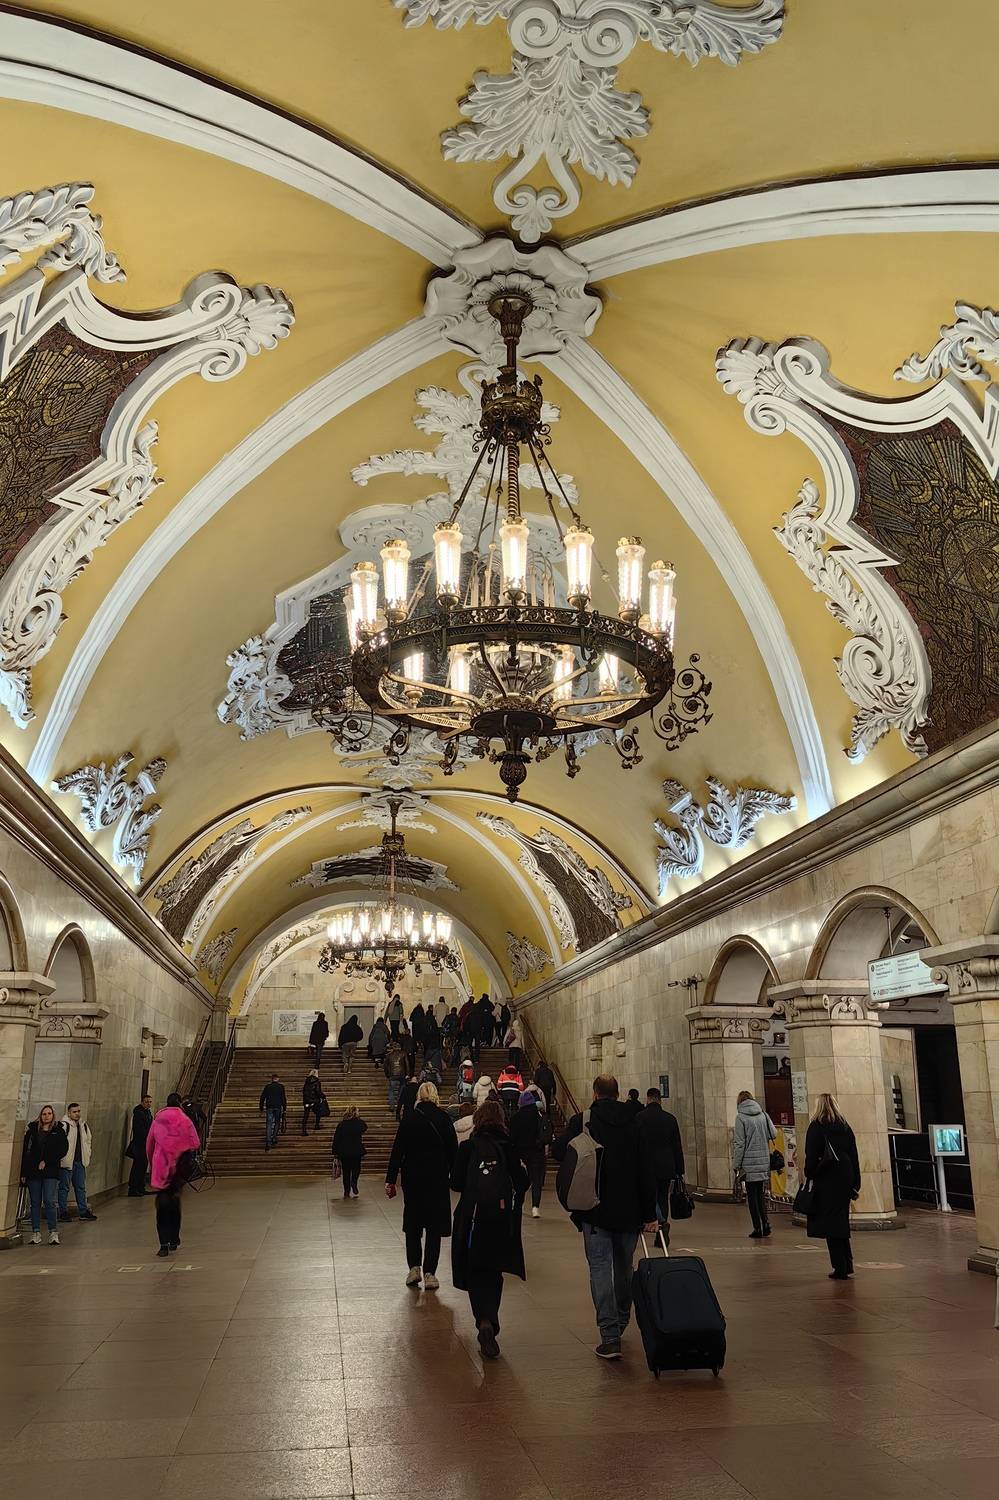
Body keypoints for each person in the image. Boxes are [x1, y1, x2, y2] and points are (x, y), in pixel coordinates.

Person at [553, 1074, 657, 1360]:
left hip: (595, 1210)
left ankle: (610, 1336)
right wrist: (650, 1213)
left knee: (600, 1269)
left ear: (595, 1093)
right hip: (630, 1211)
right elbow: (646, 1170)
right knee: (624, 1269)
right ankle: (622, 1320)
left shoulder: (584, 1121)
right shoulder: (636, 1122)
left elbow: (559, 1151)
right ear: (618, 1093)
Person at [451, 1099, 528, 1360]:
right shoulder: (508, 1146)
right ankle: (491, 1320)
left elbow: (456, 1183)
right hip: (499, 1218)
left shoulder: (468, 1147)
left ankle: (482, 1319)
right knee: (494, 1271)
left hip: (471, 1217)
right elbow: (523, 1182)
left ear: (478, 1120)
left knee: (475, 1271)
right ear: (501, 1120)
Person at [385, 1081, 458, 1289]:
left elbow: (398, 1150)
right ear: (435, 1096)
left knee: (413, 1225)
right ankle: (430, 1273)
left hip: (413, 1180)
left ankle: (414, 1268)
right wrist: (457, 1178)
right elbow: (454, 1152)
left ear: (418, 1096)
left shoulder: (409, 1119)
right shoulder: (444, 1119)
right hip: (437, 1180)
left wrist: (391, 1179)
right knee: (434, 1228)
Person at [804, 1093, 862, 1280]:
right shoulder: (845, 1126)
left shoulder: (816, 1127)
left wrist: (810, 1172)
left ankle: (840, 1267)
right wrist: (856, 1182)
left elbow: (811, 1155)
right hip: (845, 1178)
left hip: (827, 1180)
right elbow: (854, 1155)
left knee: (831, 1225)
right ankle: (847, 1263)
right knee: (841, 1222)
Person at [146, 1091, 201, 1257]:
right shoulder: (185, 1119)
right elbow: (196, 1142)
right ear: (179, 1103)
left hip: (161, 1168)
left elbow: (149, 1144)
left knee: (162, 1205)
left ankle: (163, 1244)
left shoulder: (158, 1119)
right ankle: (174, 1239)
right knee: (174, 1204)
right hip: (178, 1169)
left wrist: (153, 1163)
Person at [636, 1087, 685, 1233]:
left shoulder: (639, 1117)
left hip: (646, 1165)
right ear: (660, 1100)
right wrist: (680, 1169)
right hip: (666, 1165)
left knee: (647, 1194)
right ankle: (663, 1225)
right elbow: (677, 1146)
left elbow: (635, 1144)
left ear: (648, 1099)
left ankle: (653, 1221)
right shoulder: (670, 1119)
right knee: (663, 1196)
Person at [732, 1090, 777, 1239]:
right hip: (763, 1161)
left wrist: (736, 1165)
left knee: (752, 1197)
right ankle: (766, 1224)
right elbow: (774, 1134)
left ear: (739, 1102)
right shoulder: (763, 1114)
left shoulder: (741, 1118)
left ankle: (758, 1228)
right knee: (760, 1195)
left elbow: (739, 1144)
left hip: (749, 1163)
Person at [20, 1106, 67, 1244]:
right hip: (33, 1171)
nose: (47, 1116)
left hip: (50, 1171)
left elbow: (62, 1150)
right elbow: (25, 1153)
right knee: (35, 1202)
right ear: (40, 1116)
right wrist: (24, 1172)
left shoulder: (58, 1131)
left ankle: (53, 1231)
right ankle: (36, 1232)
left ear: (53, 1115)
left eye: (49, 1113)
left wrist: (47, 1161)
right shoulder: (32, 1132)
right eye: (44, 1114)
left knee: (49, 1200)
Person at [511, 1088, 546, 1218]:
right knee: (536, 1181)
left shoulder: (516, 1118)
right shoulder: (539, 1116)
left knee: (518, 1179)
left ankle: (518, 1203)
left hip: (520, 1153)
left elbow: (512, 1138)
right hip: (537, 1152)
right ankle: (535, 1207)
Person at [59, 1103, 97, 1222]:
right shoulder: (64, 1125)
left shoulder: (83, 1125)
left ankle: (83, 1211)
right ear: (69, 1113)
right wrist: (62, 1158)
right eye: (74, 1112)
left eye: (78, 1111)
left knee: (81, 1187)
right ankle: (63, 1212)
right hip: (67, 1162)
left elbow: (88, 1140)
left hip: (80, 1161)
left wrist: (87, 1154)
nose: (77, 1114)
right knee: (64, 1188)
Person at [332, 1105, 367, 1199]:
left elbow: (336, 1139)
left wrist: (335, 1152)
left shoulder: (342, 1124)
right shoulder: (359, 1123)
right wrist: (358, 1118)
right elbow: (365, 1127)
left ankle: (346, 1191)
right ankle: (354, 1182)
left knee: (346, 1171)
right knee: (356, 1168)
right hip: (356, 1150)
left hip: (344, 1151)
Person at [127, 1094, 153, 1196]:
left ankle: (140, 1187)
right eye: (147, 1102)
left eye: (150, 1102)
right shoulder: (138, 1113)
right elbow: (139, 1130)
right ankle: (133, 1188)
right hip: (140, 1144)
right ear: (142, 1102)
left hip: (146, 1144)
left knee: (143, 1166)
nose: (149, 1104)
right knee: (138, 1166)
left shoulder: (148, 1113)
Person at [259, 1073, 286, 1151]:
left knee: (269, 1124)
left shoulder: (267, 1087)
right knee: (277, 1122)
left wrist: (261, 1107)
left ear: (272, 1079)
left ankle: (268, 1142)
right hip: (278, 1107)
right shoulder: (281, 1087)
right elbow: (283, 1098)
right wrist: (284, 1108)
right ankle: (274, 1137)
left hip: (269, 1107)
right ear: (278, 1079)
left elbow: (262, 1097)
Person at [384, 1041, 407, 1113]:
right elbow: (407, 1064)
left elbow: (385, 1066)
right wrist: (408, 1074)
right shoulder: (403, 1054)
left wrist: (387, 1074)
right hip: (402, 1074)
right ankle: (399, 1104)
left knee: (391, 1090)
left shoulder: (389, 1055)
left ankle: (392, 1106)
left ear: (393, 1048)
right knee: (401, 1089)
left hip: (392, 1074)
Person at [302, 1068, 323, 1135]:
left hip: (307, 1100)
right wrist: (322, 1096)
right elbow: (318, 1091)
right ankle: (317, 1125)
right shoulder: (317, 1082)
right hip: (314, 1100)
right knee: (318, 1112)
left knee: (306, 1115)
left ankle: (304, 1129)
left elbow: (304, 1091)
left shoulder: (306, 1082)